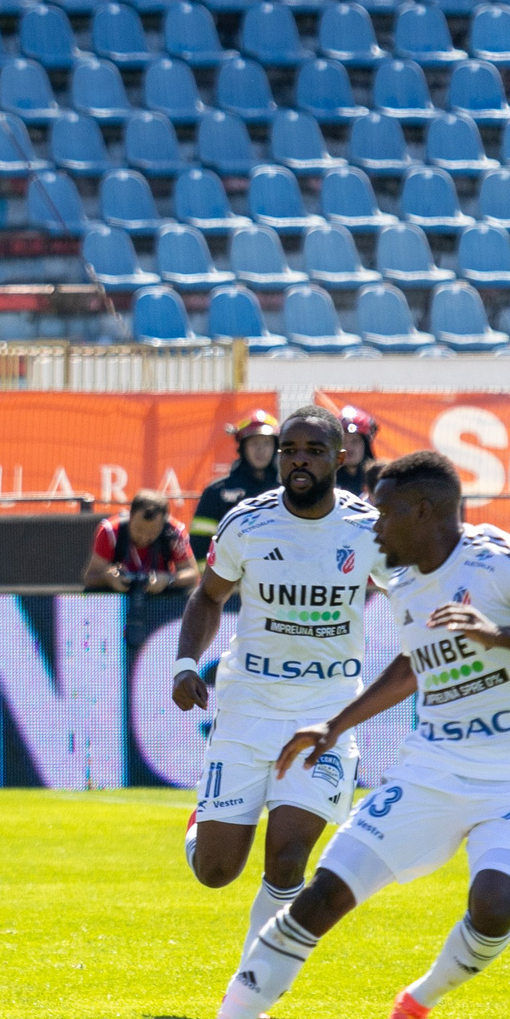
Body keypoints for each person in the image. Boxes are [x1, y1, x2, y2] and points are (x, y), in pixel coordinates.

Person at [140, 450, 510, 1019]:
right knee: (320, 895)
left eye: (385, 513)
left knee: (496, 904)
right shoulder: (409, 582)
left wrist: (498, 634)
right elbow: (413, 664)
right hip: (430, 773)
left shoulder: (500, 560)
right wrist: (335, 726)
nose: (375, 527)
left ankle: (418, 1002)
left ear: (423, 512)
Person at [168, 407, 385, 954]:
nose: (299, 461)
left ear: (339, 458)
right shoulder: (247, 523)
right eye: (291, 450)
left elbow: (414, 595)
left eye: (314, 451)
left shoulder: (369, 530)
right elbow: (208, 596)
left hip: (325, 715)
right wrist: (186, 663)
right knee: (216, 871)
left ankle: (252, 981)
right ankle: (202, 821)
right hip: (248, 709)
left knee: (288, 859)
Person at [189, 410, 280, 561]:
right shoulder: (216, 492)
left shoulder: (286, 491)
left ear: (275, 447)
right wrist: (213, 576)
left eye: (266, 443)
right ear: (242, 447)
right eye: (254, 443)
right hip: (230, 573)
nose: (260, 450)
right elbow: (200, 545)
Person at [84, 490, 201, 596]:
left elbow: (193, 575)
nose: (144, 537)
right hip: (118, 601)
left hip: (160, 599)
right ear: (130, 516)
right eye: (138, 529)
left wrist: (169, 579)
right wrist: (108, 578)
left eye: (152, 532)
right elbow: (89, 577)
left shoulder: (174, 532)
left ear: (163, 523)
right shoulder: (110, 531)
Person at [336, 406, 378, 496]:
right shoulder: (325, 480)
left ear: (366, 446)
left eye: (355, 441)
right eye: (343, 442)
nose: (348, 447)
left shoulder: (379, 478)